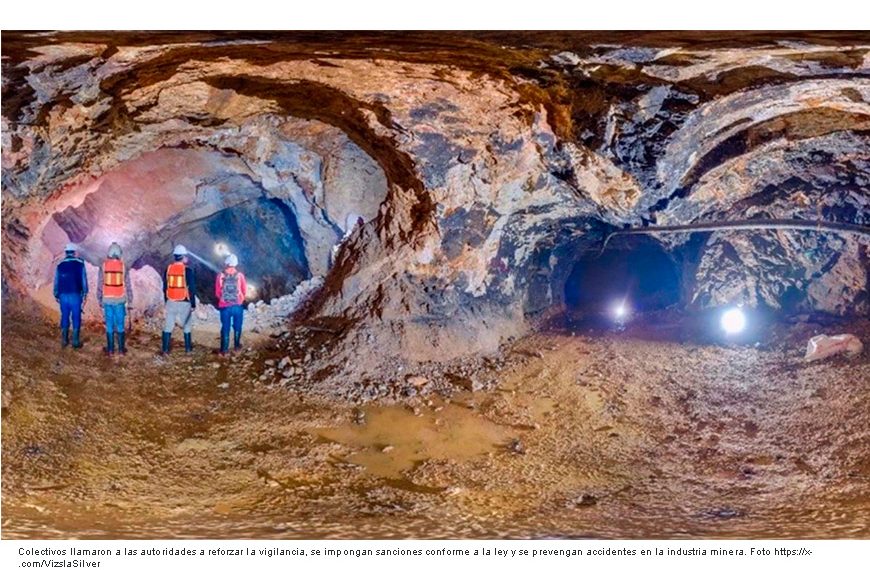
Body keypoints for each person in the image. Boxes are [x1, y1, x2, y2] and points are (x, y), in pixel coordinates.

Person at [97, 242, 133, 356]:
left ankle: (111, 349)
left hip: (107, 299)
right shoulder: (123, 266)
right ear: (119, 253)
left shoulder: (103, 266)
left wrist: (99, 298)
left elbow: (100, 284)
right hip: (119, 299)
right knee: (120, 324)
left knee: (109, 324)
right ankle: (122, 350)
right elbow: (127, 284)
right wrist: (130, 299)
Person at [162, 244, 196, 354]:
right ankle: (188, 349)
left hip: (171, 300)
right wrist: (193, 304)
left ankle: (165, 349)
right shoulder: (188, 271)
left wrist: (166, 301)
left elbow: (165, 287)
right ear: (183, 257)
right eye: (185, 256)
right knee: (186, 326)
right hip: (184, 302)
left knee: (168, 326)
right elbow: (192, 289)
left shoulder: (168, 269)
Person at [53, 242, 89, 349]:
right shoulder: (80, 263)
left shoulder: (60, 264)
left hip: (63, 294)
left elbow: (56, 281)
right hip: (75, 294)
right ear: (74, 252)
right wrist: (85, 292)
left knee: (64, 315)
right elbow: (83, 279)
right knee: (76, 316)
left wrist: (56, 294)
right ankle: (75, 341)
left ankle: (64, 340)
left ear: (66, 252)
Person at [215, 254, 247, 355]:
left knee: (225, 326)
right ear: (235, 264)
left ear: (227, 263)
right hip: (237, 305)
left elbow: (217, 292)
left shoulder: (220, 275)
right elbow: (244, 290)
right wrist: (240, 299)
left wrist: (223, 299)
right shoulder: (240, 275)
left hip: (225, 307)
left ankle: (224, 350)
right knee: (237, 326)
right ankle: (237, 346)